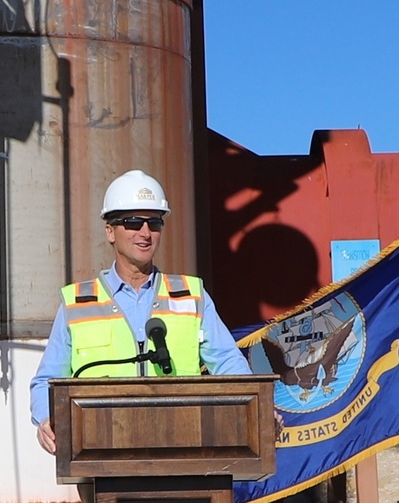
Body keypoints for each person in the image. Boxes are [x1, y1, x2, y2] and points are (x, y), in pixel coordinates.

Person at [30, 168, 251, 459]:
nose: (145, 233)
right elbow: (46, 380)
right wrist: (47, 419)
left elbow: (227, 362)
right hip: (100, 454)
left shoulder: (191, 295)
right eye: (133, 222)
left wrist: (255, 406)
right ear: (110, 231)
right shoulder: (77, 302)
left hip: (183, 449)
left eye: (154, 223)